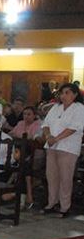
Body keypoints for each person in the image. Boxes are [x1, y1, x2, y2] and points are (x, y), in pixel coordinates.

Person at [40, 83, 84, 218]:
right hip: (52, 146)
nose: (63, 95)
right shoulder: (56, 107)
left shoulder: (79, 108)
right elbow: (46, 124)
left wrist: (57, 138)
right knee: (52, 176)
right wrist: (48, 136)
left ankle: (65, 207)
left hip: (68, 147)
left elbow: (74, 127)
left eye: (67, 92)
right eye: (62, 93)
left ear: (75, 94)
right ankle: (51, 203)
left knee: (65, 178)